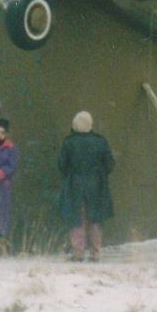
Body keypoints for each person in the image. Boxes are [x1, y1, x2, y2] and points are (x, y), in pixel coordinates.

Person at [58, 111, 114, 261]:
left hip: (75, 185)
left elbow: (62, 165)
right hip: (96, 185)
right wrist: (99, 174)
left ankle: (78, 253)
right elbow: (109, 164)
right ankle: (96, 253)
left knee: (77, 218)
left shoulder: (69, 142)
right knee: (95, 219)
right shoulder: (100, 141)